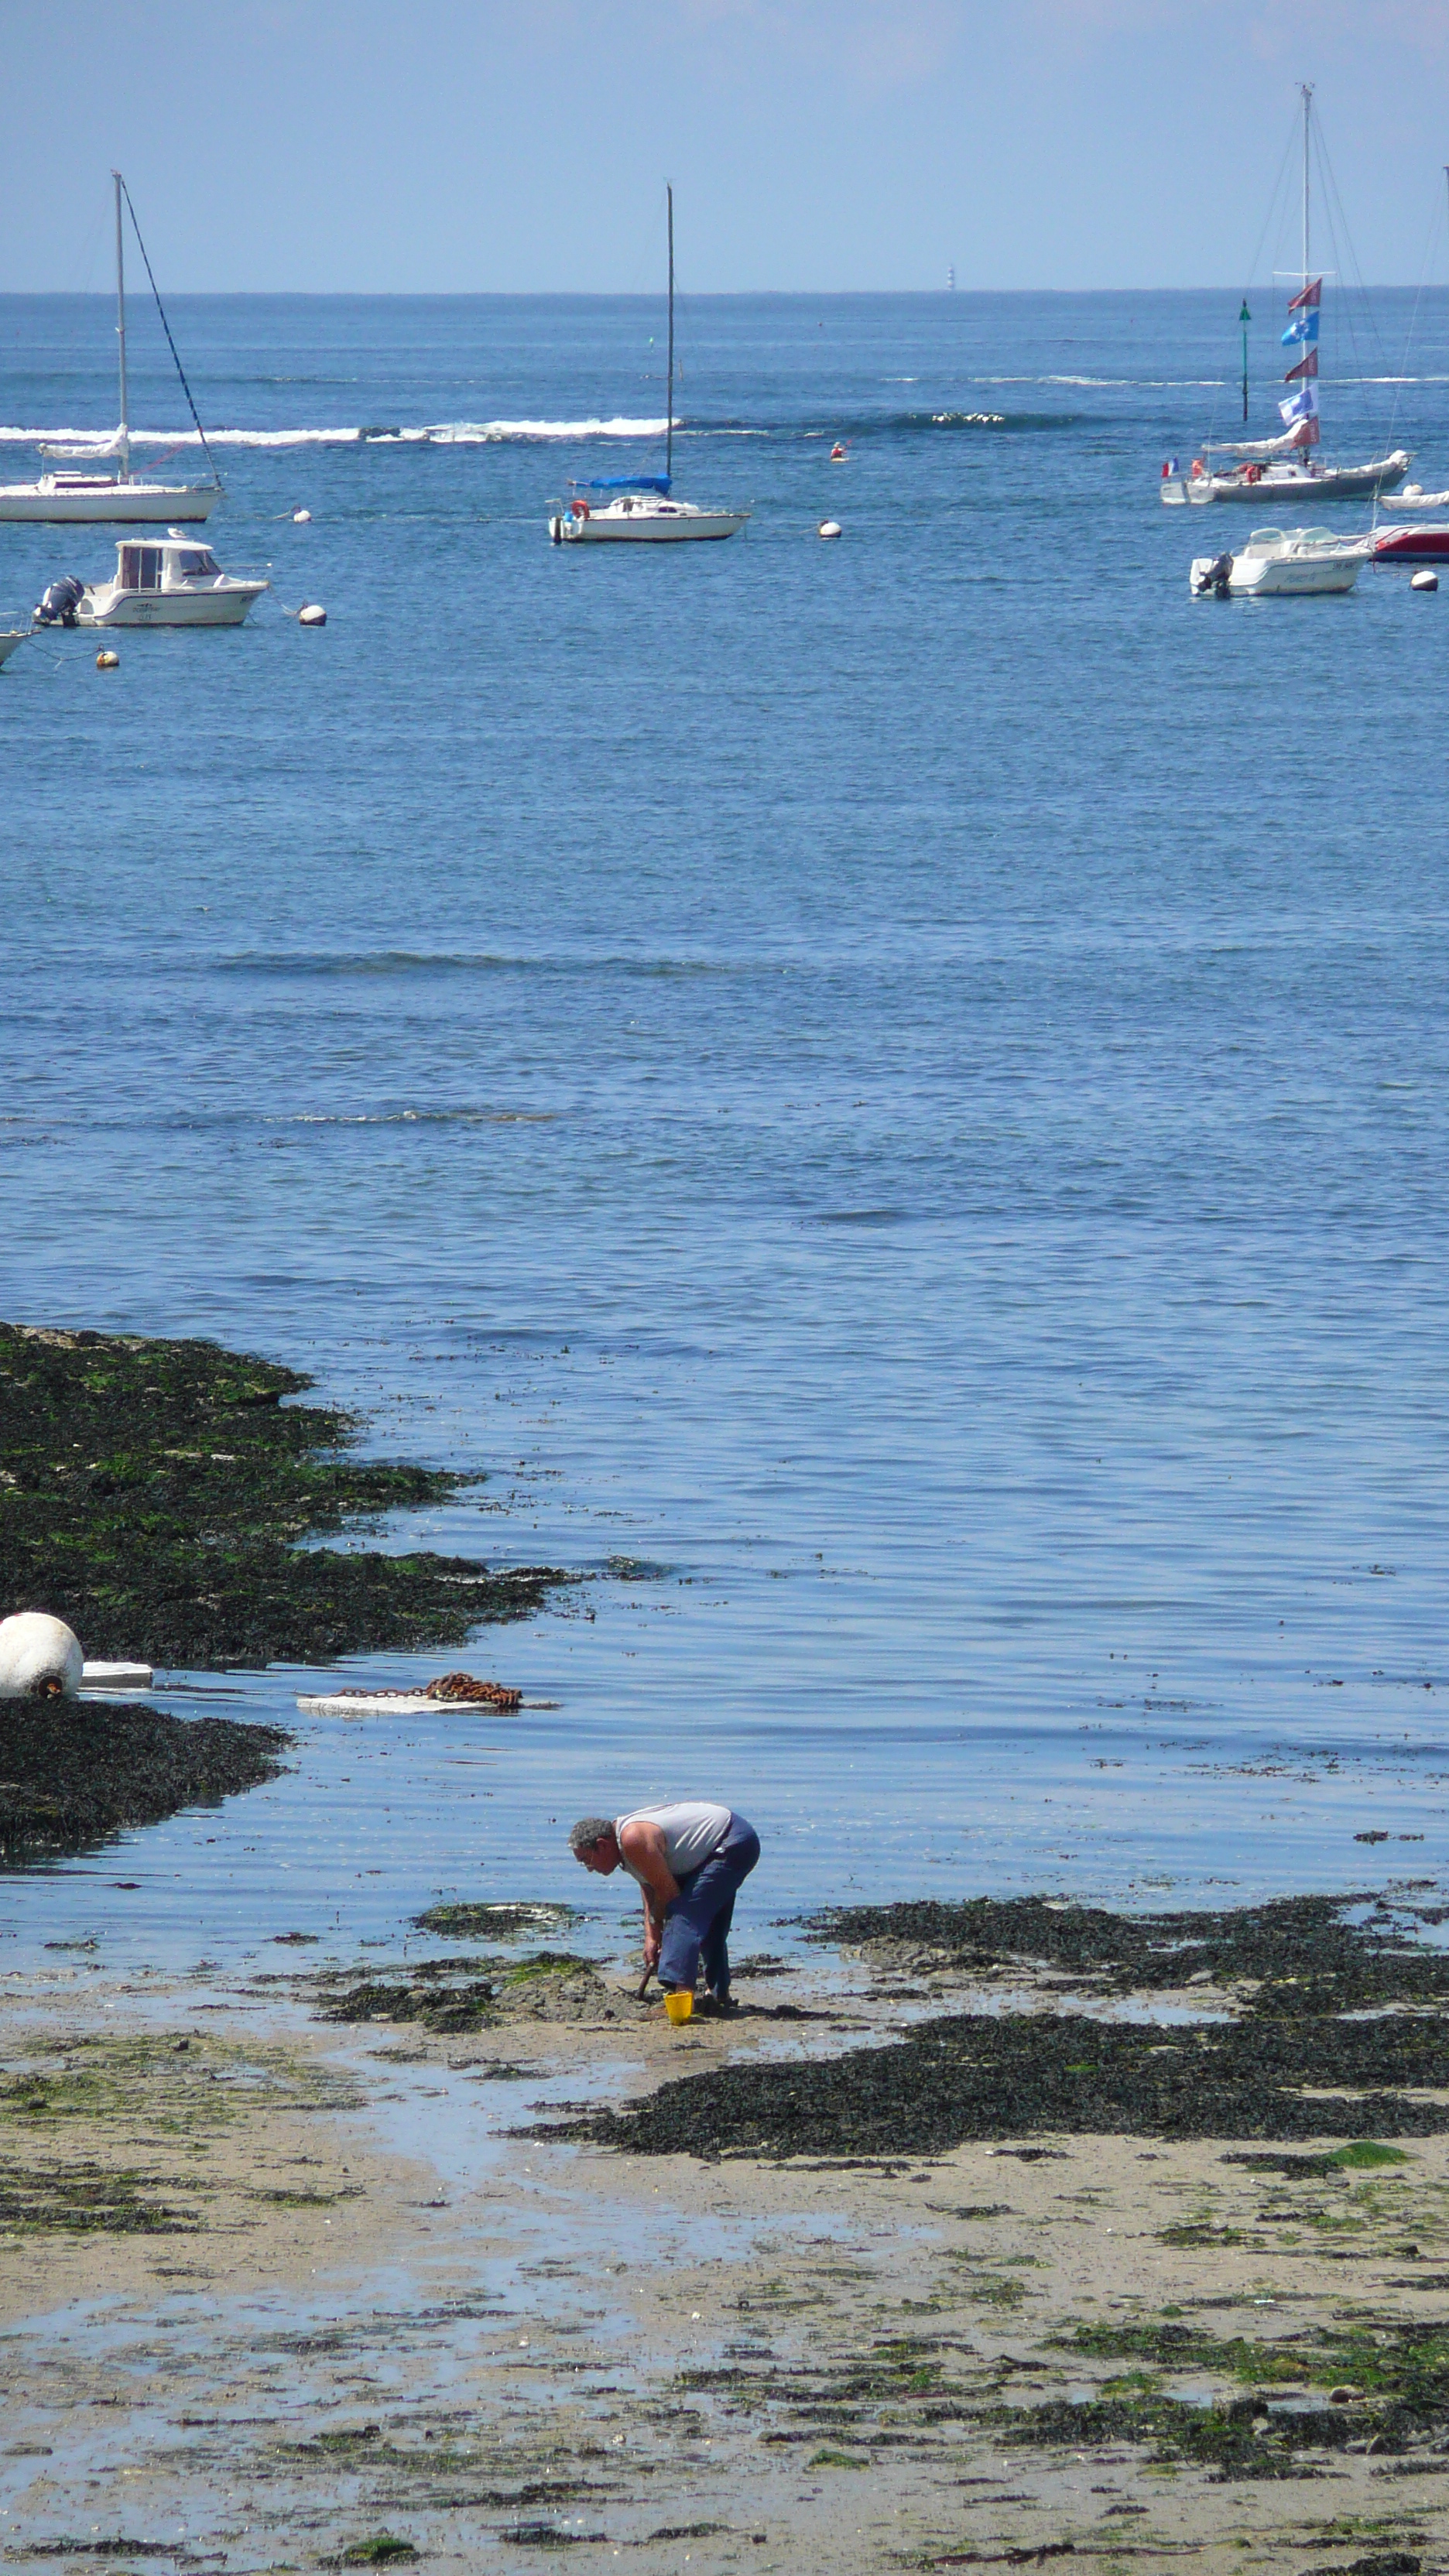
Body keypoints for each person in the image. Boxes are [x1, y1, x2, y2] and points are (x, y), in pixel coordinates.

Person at [569, 1801, 760, 2011]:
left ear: (602, 1845)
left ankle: (681, 1998)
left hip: (731, 1842)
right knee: (707, 1922)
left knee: (683, 1915)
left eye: (587, 1860)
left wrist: (661, 1925)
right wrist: (651, 1934)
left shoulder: (632, 1839)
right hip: (712, 1849)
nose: (589, 1869)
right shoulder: (622, 1845)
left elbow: (669, 1894)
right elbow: (649, 1883)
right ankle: (718, 1996)